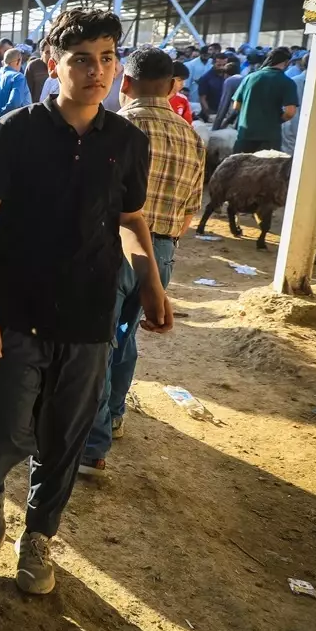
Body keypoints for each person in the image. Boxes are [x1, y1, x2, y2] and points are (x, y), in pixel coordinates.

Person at [0, 9, 171, 596]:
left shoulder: (128, 141)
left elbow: (130, 220)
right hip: (13, 309)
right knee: (2, 418)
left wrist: (151, 281)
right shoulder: (14, 131)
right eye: (81, 58)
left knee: (67, 434)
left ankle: (39, 537)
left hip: (87, 313)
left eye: (108, 58)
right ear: (53, 65)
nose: (96, 70)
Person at [78, 47, 203, 478]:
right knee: (127, 338)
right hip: (163, 253)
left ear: (124, 83)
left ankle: (93, 446)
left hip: (111, 250)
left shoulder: (116, 130)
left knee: (96, 342)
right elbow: (190, 211)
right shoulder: (192, 136)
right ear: (172, 87)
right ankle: (113, 415)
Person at [227, 47, 299, 153]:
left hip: (245, 135)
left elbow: (236, 105)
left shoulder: (249, 77)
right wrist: (276, 121)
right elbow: (290, 112)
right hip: (269, 139)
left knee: (240, 168)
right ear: (287, 62)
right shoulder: (287, 82)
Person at [211, 60, 242, 129]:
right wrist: (226, 123)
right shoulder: (244, 78)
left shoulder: (230, 81)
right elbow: (237, 109)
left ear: (226, 74)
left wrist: (215, 128)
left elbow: (223, 106)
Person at [197, 53, 229, 117]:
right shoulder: (206, 78)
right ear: (213, 63)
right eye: (219, 65)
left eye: (224, 65)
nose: (222, 67)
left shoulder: (228, 76)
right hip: (211, 113)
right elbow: (202, 99)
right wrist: (208, 113)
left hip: (225, 113)